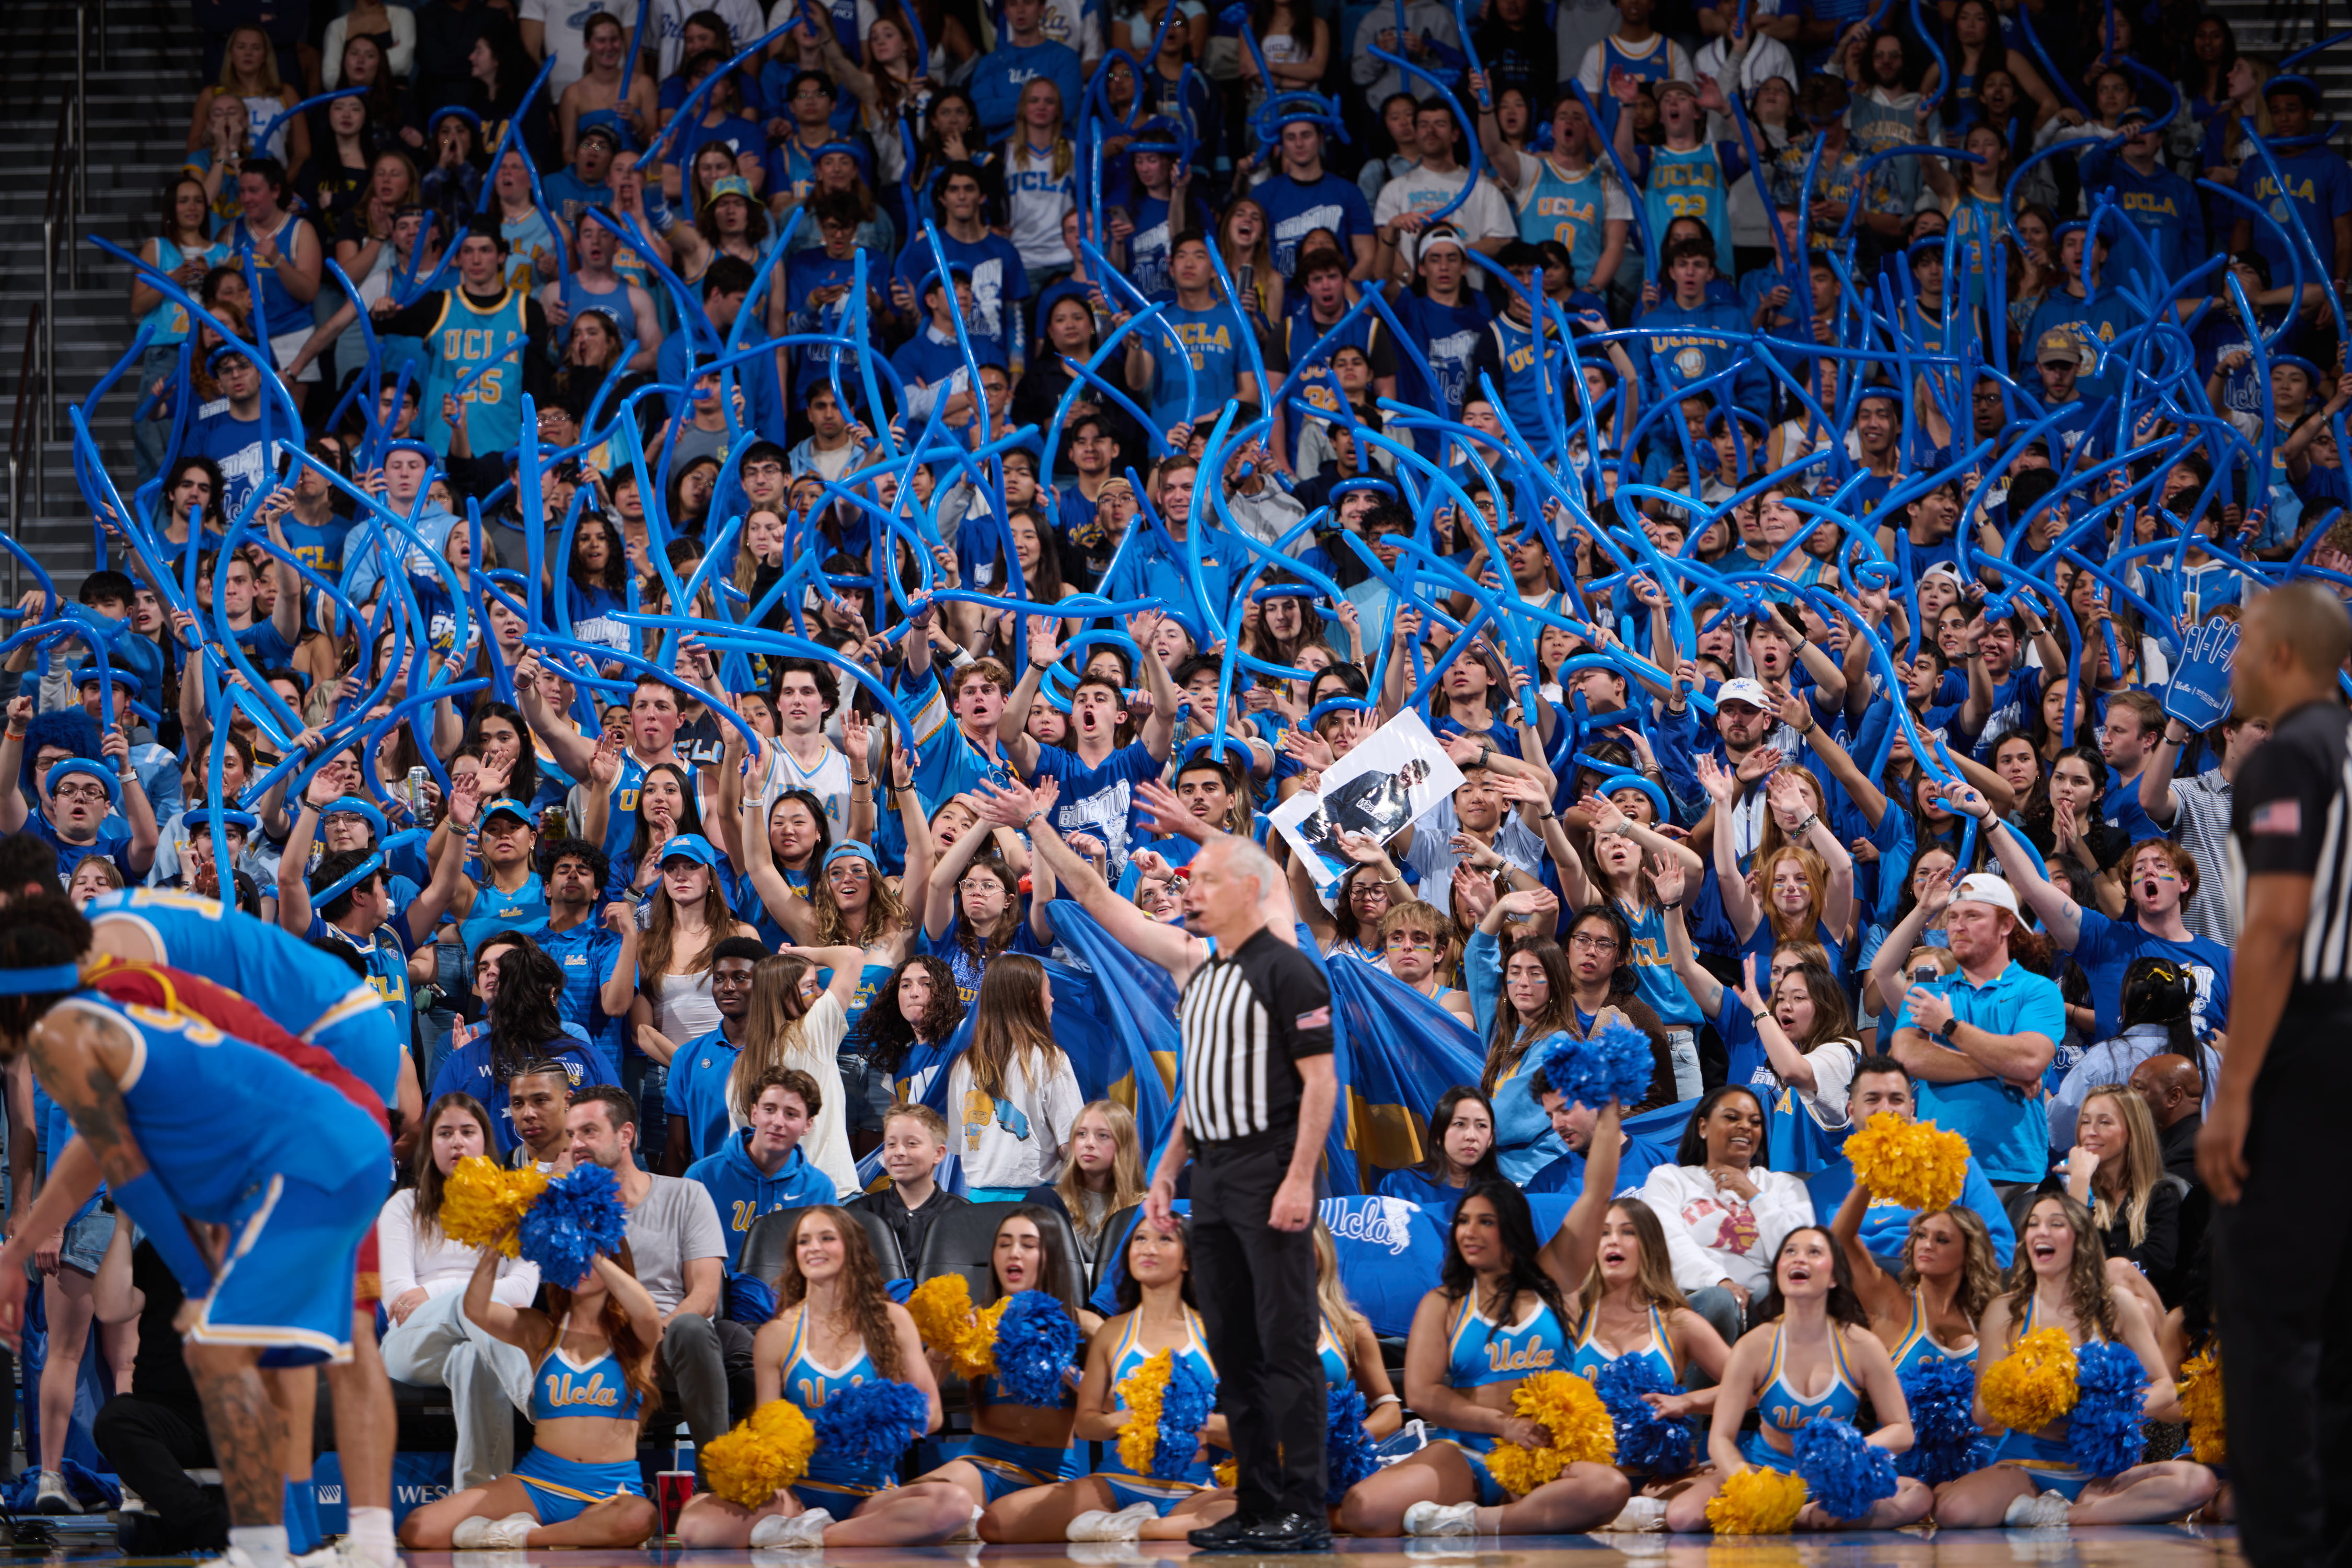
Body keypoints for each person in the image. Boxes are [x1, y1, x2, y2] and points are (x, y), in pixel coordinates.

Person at [0, 921, 391, 1568]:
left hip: (301, 1143)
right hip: (333, 1125)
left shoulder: (77, 1016)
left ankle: (287, 1547)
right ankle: (319, 1545)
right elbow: (106, 1157)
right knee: (291, 1357)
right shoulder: (131, 992)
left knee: (244, 1352)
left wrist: (19, 1254)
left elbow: (109, 1163)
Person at [2193, 582, 2352, 1568]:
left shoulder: (2288, 755)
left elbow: (2280, 923)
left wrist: (2238, 1087)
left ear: (2287, 657)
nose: (2230, 659)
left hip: (2314, 1043)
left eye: (2245, 642)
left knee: (2267, 1317)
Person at [1145, 833, 1336, 1550]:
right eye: (1190, 883)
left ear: (1251, 890)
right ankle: (1256, 1503)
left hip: (1271, 1165)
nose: (1191, 893)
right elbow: (1200, 1092)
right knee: (1232, 1345)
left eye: (1209, 881)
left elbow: (1322, 1083)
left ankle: (1305, 1510)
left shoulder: (1290, 972)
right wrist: (1168, 1169)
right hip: (1215, 1175)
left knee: (1286, 1343)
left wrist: (1298, 1179)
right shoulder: (1207, 978)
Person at [1332, 1177, 1633, 1536]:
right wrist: (1501, 1424)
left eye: (1485, 1222)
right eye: (1463, 1221)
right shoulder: (1443, 1303)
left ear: (1512, 1229)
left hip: (1546, 1451)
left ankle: (1473, 1521)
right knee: (1364, 1509)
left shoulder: (1554, 1285)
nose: (1469, 1232)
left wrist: (1609, 1118)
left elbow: (1597, 1193)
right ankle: (1527, 1515)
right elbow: (1424, 1395)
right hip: (1466, 1451)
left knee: (1608, 1488)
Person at [674, 1207, 965, 1547]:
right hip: (795, 1498)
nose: (814, 1247)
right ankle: (844, 1536)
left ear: (852, 1249)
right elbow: (769, 1430)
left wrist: (869, 1425)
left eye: (827, 1238)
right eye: (804, 1241)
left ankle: (818, 1536)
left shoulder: (893, 1321)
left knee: (952, 1505)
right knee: (694, 1524)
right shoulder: (776, 1334)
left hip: (871, 1496)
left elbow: (931, 1417)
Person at [1929, 1194, 2217, 1528]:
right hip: (2026, 1465)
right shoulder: (2005, 1311)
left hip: (2100, 1470)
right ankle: (2085, 1515)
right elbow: (1980, 1411)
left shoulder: (2116, 1304)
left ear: (2079, 1239)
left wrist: (2108, 1411)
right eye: (2033, 1224)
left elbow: (2165, 1388)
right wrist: (2027, 1394)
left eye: (2055, 1224)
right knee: (1955, 1512)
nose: (2041, 1232)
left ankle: (2063, 1515)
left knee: (2197, 1483)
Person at [978, 1213, 1233, 1542]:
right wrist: (1125, 1419)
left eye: (1164, 1239)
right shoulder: (1112, 1332)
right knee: (997, 1522)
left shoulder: (1215, 1333)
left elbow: (1250, 1432)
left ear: (1187, 1260)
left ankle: (1135, 1528)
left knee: (1260, 1509)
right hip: (1116, 1484)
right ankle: (1144, 1527)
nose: (1148, 1248)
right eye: (1140, 1239)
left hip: (1192, 1487)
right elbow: (1086, 1425)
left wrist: (1198, 1424)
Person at [1659, 1227, 1935, 1532]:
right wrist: (1746, 1481)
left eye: (1814, 1252)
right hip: (1764, 1471)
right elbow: (1721, 1438)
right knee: (1683, 1516)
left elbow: (1901, 1432)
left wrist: (1852, 1454)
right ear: (1778, 1270)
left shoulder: (1862, 1345)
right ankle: (1803, 1516)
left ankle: (1794, 1517)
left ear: (1834, 1277)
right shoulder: (1753, 1346)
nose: (1798, 1259)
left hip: (1834, 1479)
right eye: (1790, 1252)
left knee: (1917, 1496)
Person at [396, 1237, 662, 1549]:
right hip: (540, 1482)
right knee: (419, 1529)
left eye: (590, 1255)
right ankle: (574, 1534)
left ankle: (521, 1535)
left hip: (612, 1488)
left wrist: (592, 1249)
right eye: (571, 1254)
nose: (581, 1263)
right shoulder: (541, 1331)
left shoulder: (635, 1338)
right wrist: (496, 1247)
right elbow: (475, 1310)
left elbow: (647, 1314)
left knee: (640, 1518)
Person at [561, 1085, 743, 1463]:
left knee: (693, 1328)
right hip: (599, 1345)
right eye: (571, 1135)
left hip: (669, 1345)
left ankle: (718, 1475)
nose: (576, 1144)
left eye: (589, 1132)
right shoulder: (566, 1210)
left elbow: (705, 1295)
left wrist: (653, 1336)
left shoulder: (686, 1195)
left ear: (626, 1135)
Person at [376, 1092, 545, 1492]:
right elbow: (398, 1298)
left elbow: (522, 1290)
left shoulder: (517, 1207)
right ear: (429, 1144)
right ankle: (539, 1397)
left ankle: (478, 1499)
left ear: (485, 1141)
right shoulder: (404, 1206)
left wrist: (431, 1290)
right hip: (412, 1345)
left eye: (468, 1132)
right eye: (444, 1133)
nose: (457, 1142)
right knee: (470, 1305)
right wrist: (460, 1296)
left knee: (473, 1358)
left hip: (488, 1346)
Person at [905, 1207, 1098, 1527]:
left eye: (1028, 1245)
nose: (1014, 1254)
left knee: (998, 1526)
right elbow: (917, 1408)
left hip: (1053, 1472)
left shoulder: (1084, 1325)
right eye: (1004, 1244)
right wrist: (942, 1346)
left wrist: (1060, 1365)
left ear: (1049, 1255)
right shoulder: (974, 1321)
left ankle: (971, 1524)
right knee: (904, 1503)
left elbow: (1114, 1402)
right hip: (983, 1465)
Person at [1886, 871, 2064, 1190]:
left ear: (2007, 925)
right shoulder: (1929, 990)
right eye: (1953, 916)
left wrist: (1949, 1027)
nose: (1958, 926)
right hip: (1936, 1169)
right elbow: (1908, 1056)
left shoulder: (2038, 990)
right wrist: (2000, 1068)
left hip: (2013, 1170)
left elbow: (2028, 1061)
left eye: (1973, 916)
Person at [949, 955, 1086, 1199]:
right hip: (1037, 1202)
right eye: (1049, 990)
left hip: (977, 1202)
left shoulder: (963, 1065)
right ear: (1032, 1000)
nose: (1053, 999)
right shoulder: (1050, 1058)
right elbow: (1071, 1143)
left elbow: (960, 1145)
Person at [683, 1067, 838, 1268]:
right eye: (769, 1109)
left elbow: (826, 1265)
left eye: (791, 1114)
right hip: (719, 1293)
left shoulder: (820, 1188)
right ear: (755, 1113)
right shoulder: (703, 1177)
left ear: (807, 1125)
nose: (777, 1122)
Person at [848, 1100, 969, 1269]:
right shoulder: (857, 1214)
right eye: (891, 1144)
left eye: (912, 1144)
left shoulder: (963, 1214)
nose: (899, 1152)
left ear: (939, 1154)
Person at [1377, 1086, 1501, 1213]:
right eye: (1460, 1124)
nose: (1471, 1136)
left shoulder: (1505, 1197)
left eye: (1481, 1126)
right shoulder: (1399, 1186)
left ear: (1491, 1137)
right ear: (1438, 1134)